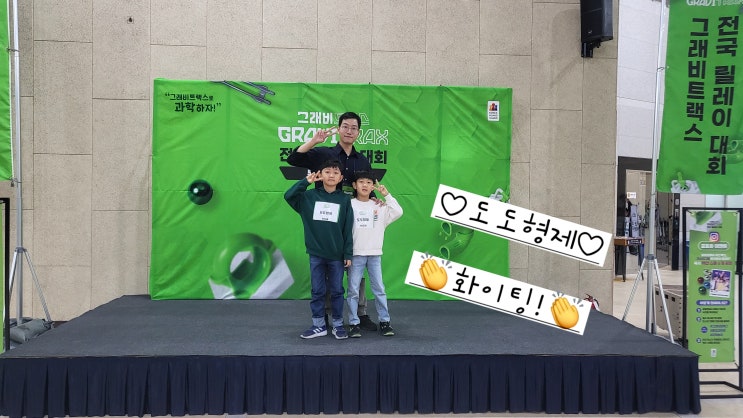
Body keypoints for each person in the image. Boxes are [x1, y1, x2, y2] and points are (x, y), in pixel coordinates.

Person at [287, 111, 378, 332]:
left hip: (354, 217)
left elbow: (367, 185)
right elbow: (293, 159)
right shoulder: (323, 153)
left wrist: (375, 200)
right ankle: (327, 315)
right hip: (327, 218)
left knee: (356, 264)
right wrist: (314, 141)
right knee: (329, 268)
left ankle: (360, 312)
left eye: (354, 128)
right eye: (345, 126)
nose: (349, 131)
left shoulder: (362, 160)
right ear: (338, 129)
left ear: (358, 133)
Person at [284, 159, 353, 340]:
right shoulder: (308, 197)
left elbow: (348, 228)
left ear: (341, 178)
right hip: (316, 254)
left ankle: (338, 324)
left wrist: (348, 253)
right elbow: (288, 196)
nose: (331, 175)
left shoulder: (344, 200)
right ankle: (318, 325)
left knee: (337, 291)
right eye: (327, 171)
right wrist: (305, 182)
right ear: (320, 175)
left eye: (335, 172)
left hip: (337, 255)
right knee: (317, 291)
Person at [347, 171, 403, 337]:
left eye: (369, 182)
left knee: (379, 289)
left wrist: (387, 195)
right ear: (354, 185)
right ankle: (353, 323)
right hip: (355, 254)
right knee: (353, 290)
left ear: (373, 187)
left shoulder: (379, 206)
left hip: (375, 254)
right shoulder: (348, 205)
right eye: (361, 182)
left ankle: (385, 321)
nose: (365, 185)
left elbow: (398, 211)